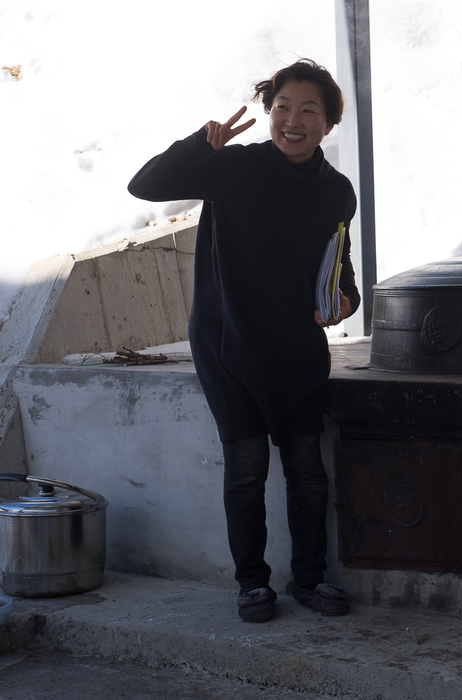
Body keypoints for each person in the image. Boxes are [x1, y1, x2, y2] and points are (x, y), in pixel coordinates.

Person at [128, 59, 359, 622]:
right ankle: (253, 584)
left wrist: (345, 301)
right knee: (247, 466)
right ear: (268, 111)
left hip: (297, 350)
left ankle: (309, 578)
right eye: (282, 107)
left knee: (307, 468)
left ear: (329, 123)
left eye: (309, 110)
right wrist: (199, 147)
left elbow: (338, 268)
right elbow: (145, 186)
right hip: (227, 344)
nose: (293, 120)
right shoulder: (230, 168)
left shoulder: (336, 193)